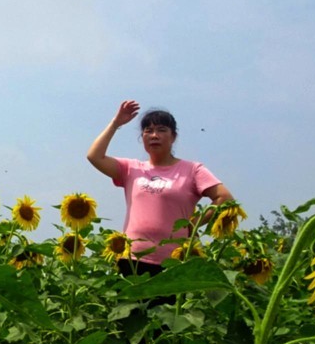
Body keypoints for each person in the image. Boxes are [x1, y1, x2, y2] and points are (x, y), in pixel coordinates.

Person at [87, 101, 232, 275]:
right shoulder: (131, 168)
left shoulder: (192, 170)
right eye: (148, 131)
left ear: (173, 137)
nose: (154, 135)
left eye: (162, 130)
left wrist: (193, 224)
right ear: (142, 138)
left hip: (173, 260)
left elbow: (225, 198)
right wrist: (116, 123)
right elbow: (94, 156)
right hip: (132, 258)